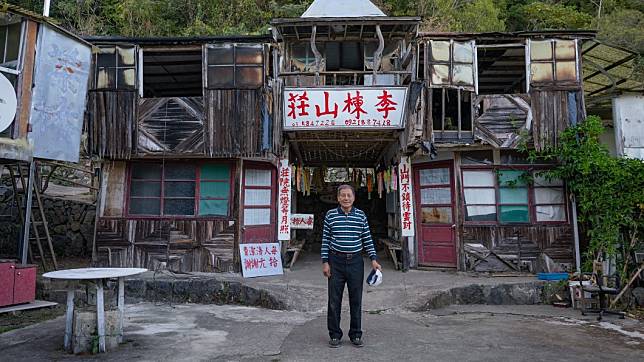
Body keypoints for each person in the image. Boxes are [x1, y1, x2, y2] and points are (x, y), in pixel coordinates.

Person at [321, 184, 382, 348]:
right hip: (336, 262)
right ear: (338, 198)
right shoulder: (331, 215)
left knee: (356, 300)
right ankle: (335, 334)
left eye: (349, 195)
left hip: (356, 262)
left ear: (354, 198)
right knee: (334, 300)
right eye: (343, 195)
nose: (346, 198)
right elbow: (325, 239)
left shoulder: (361, 216)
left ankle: (355, 334)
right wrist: (325, 262)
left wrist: (374, 259)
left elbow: (367, 238)